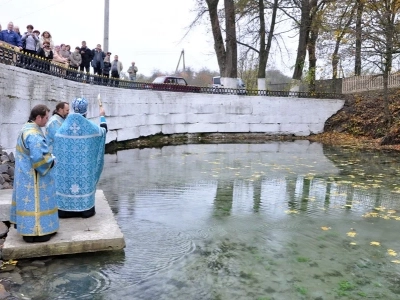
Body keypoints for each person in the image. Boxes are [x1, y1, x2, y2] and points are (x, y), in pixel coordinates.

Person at [10, 104, 59, 243]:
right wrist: (52, 161)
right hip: (34, 177)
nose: (47, 121)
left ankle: (28, 232)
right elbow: (39, 159)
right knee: (37, 202)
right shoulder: (34, 134)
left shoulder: (26, 128)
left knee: (27, 202)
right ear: (38, 117)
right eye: (46, 117)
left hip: (24, 174)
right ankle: (39, 231)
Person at [54, 97, 107, 218]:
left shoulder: (63, 128)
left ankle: (65, 208)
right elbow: (103, 131)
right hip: (84, 170)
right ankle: (84, 209)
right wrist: (102, 116)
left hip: (67, 170)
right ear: (86, 110)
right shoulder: (90, 127)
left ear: (73, 109)